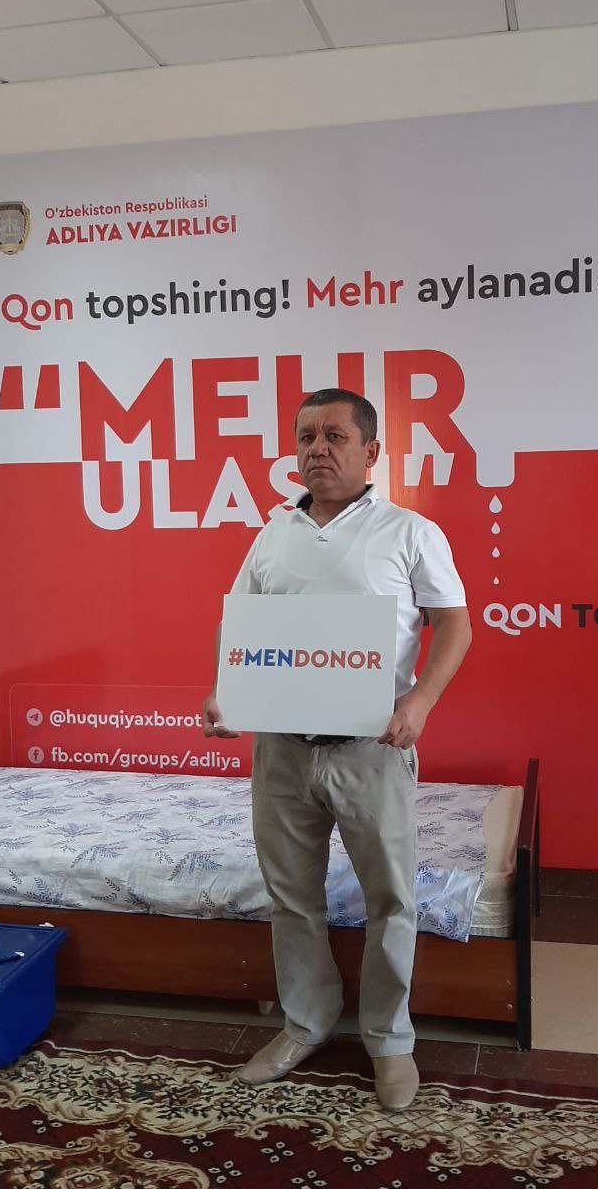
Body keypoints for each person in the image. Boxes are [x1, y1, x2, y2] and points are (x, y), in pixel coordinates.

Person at [202, 387, 471, 1111]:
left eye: (334, 436)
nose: (317, 448)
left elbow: (455, 624)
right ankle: (305, 1024)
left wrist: (419, 701)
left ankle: (389, 1041)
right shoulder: (271, 534)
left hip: (370, 749)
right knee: (292, 897)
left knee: (391, 898)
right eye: (306, 436)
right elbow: (241, 629)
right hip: (283, 750)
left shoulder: (409, 532)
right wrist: (225, 694)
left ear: (371, 451)